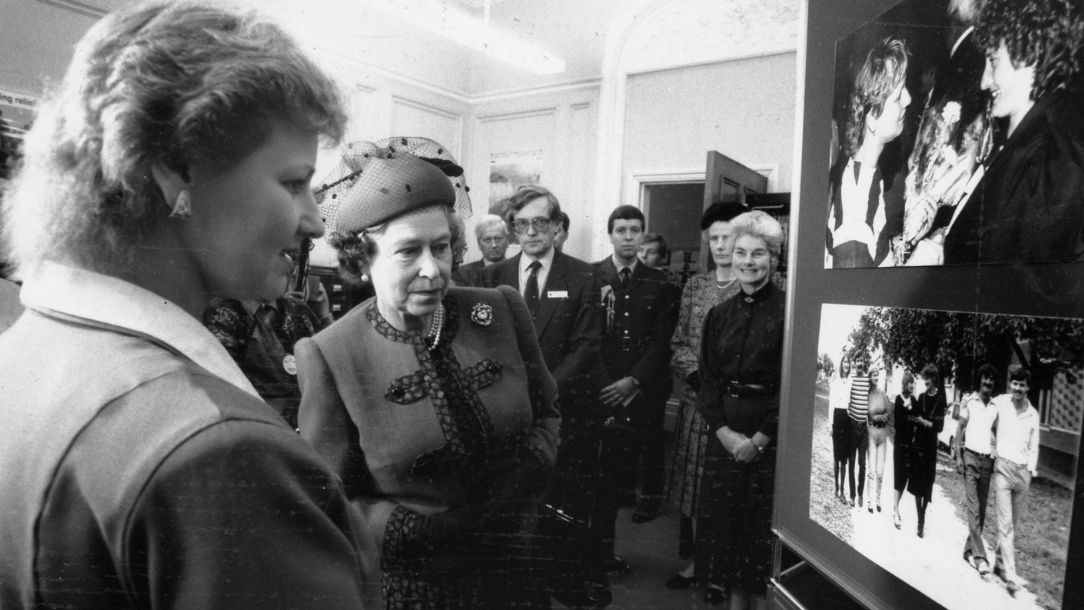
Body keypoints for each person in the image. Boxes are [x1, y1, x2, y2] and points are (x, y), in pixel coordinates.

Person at [0, 2, 367, 607]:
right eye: (293, 182)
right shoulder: (220, 450)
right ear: (177, 170)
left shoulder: (28, 350)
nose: (315, 223)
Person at [297, 149, 559, 609]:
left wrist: (529, 471)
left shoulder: (500, 308)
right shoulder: (330, 354)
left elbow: (548, 411)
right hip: (420, 585)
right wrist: (421, 530)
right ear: (363, 261)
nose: (432, 268)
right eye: (407, 251)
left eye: (440, 247)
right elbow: (332, 501)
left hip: (516, 565)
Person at [481, 185, 610, 571]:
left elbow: (586, 346)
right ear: (513, 229)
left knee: (559, 507)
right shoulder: (493, 276)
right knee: (509, 507)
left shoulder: (584, 275)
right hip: (508, 413)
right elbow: (485, 343)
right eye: (523, 224)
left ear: (555, 226)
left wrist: (543, 391)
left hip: (562, 411)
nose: (532, 232)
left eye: (540, 222)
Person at [944, 0, 1084, 264]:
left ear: (1031, 53)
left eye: (994, 61)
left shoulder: (1048, 160)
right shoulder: (1028, 136)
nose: (985, 81)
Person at [696, 210, 786, 609]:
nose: (748, 262)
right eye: (741, 253)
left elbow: (791, 386)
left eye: (758, 254)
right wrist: (725, 434)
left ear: (774, 258)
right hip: (726, 437)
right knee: (725, 528)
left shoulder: (789, 313)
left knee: (758, 530)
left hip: (767, 438)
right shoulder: (718, 315)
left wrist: (761, 439)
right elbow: (708, 381)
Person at [664, 201, 747, 599]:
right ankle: (697, 564)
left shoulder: (757, 288)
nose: (718, 245)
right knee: (694, 492)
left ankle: (721, 573)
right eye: (712, 238)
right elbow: (678, 342)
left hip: (736, 414)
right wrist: (696, 375)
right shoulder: (695, 286)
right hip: (698, 407)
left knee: (727, 493)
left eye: (726, 237)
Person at [593, 206, 679, 529]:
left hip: (645, 383)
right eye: (621, 230)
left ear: (642, 234)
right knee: (610, 452)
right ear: (610, 234)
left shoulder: (660, 282)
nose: (628, 237)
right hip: (605, 383)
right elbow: (589, 336)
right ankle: (619, 497)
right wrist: (609, 381)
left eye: (634, 230)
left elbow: (662, 340)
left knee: (650, 442)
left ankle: (651, 499)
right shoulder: (592, 276)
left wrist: (635, 380)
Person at [897, 0, 993, 264]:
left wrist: (910, 238)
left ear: (952, 17)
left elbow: (933, 159)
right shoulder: (981, 57)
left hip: (937, 231)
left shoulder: (963, 65)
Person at [826, 37, 912, 268]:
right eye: (898, 96)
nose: (908, 100)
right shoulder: (856, 207)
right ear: (872, 118)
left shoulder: (867, 174)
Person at [203, 291, 327, 429]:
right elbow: (225, 388)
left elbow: (327, 362)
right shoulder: (224, 313)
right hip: (261, 423)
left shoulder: (296, 308)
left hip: (305, 419)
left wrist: (324, 316)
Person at [989, 365, 1040, 596]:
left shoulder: (1033, 414)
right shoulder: (1000, 402)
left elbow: (1034, 446)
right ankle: (1011, 578)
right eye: (1015, 383)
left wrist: (1030, 469)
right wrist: (991, 446)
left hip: (1023, 475)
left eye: (1022, 384)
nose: (1018, 388)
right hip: (1003, 470)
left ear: (1027, 387)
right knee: (1006, 525)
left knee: (1013, 525)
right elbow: (986, 417)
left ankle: (999, 564)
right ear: (1011, 385)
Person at [954, 363, 999, 576]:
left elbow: (997, 434)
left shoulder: (995, 408)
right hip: (970, 458)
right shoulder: (969, 401)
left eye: (991, 379)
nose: (988, 382)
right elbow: (960, 427)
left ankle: (968, 551)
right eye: (985, 378)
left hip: (987, 462)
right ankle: (980, 558)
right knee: (973, 509)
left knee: (980, 511)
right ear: (980, 380)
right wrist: (958, 454)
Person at [908, 364, 947, 537]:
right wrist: (915, 418)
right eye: (925, 379)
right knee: (917, 483)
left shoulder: (940, 399)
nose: (925, 382)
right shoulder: (921, 397)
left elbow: (939, 427)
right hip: (919, 443)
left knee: (927, 483)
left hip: (931, 445)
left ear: (934, 379)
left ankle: (922, 515)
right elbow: (914, 416)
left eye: (928, 380)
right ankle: (920, 519)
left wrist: (923, 422)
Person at [452, 213, 509, 287]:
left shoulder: (518, 270)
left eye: (498, 238)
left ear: (507, 241)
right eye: (487, 240)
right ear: (479, 244)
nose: (494, 245)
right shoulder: (463, 274)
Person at [891, 371, 917, 529]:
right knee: (898, 477)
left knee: (905, 478)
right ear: (905, 384)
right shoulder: (899, 400)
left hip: (910, 445)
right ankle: (895, 511)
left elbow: (917, 418)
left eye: (913, 384)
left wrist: (912, 411)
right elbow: (897, 424)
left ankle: (895, 507)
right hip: (900, 444)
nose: (913, 386)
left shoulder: (914, 400)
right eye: (911, 384)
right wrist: (907, 409)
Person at [866, 367, 893, 513]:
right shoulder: (867, 393)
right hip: (871, 432)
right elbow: (868, 413)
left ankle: (878, 499)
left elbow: (889, 412)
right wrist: (876, 417)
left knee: (880, 471)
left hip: (883, 434)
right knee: (871, 469)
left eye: (877, 375)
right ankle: (869, 500)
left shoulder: (883, 393)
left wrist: (882, 417)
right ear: (869, 377)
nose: (875, 378)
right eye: (873, 375)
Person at [829, 356, 854, 504]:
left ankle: (842, 492)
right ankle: (835, 489)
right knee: (836, 456)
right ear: (841, 363)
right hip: (837, 417)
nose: (846, 364)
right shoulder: (835, 380)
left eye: (848, 362)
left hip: (847, 418)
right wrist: (830, 424)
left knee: (844, 458)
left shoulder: (851, 380)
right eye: (844, 362)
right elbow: (831, 402)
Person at [846, 357, 871, 508]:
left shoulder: (868, 380)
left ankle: (860, 493)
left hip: (864, 429)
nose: (860, 363)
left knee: (862, 464)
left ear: (864, 363)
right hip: (852, 426)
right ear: (855, 364)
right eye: (858, 361)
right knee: (851, 463)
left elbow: (876, 384)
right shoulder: (851, 379)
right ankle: (852, 496)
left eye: (862, 360)